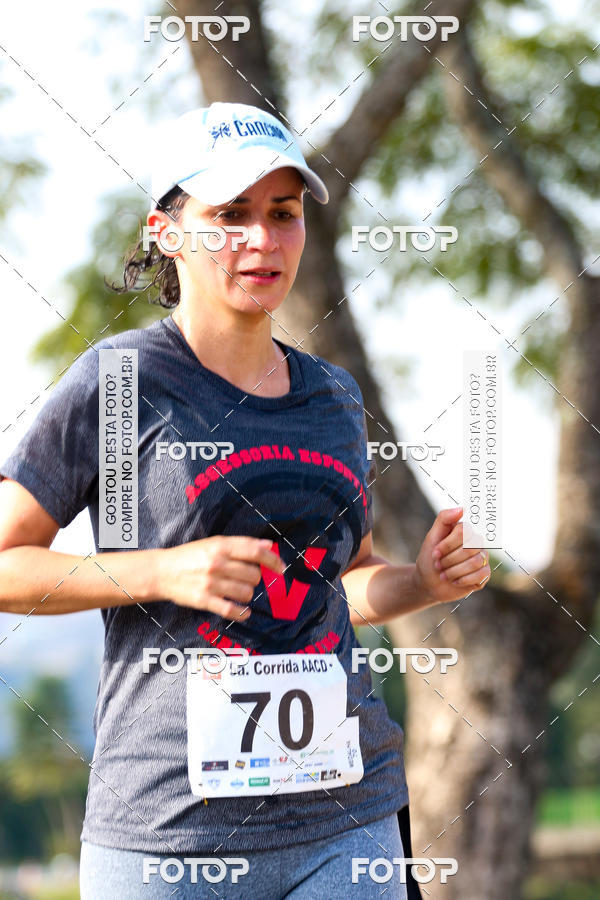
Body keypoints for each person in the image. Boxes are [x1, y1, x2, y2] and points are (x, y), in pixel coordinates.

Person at [0, 102, 490, 898]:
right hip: (169, 832)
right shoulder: (120, 385)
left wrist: (421, 584)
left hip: (347, 815)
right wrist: (159, 572)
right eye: (230, 214)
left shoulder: (331, 395)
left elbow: (340, 583)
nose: (262, 240)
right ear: (167, 231)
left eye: (283, 213)